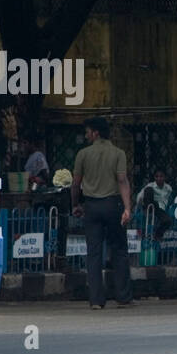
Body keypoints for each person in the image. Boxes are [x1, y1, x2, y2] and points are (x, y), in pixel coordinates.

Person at [71, 116, 133, 308]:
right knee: (120, 250)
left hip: (91, 207)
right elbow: (122, 181)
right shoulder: (118, 153)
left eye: (88, 131)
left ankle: (96, 300)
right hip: (112, 205)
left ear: (96, 133)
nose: (86, 135)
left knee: (94, 253)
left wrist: (75, 205)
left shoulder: (83, 154)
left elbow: (75, 184)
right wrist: (127, 208)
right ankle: (123, 297)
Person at [135, 169, 173, 241]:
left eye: (161, 176)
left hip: (160, 208)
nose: (159, 178)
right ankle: (147, 210)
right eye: (157, 176)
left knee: (168, 221)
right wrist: (140, 205)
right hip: (149, 205)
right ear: (154, 177)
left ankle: (158, 235)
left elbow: (169, 200)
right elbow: (139, 197)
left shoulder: (168, 188)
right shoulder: (150, 185)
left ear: (165, 177)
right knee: (148, 190)